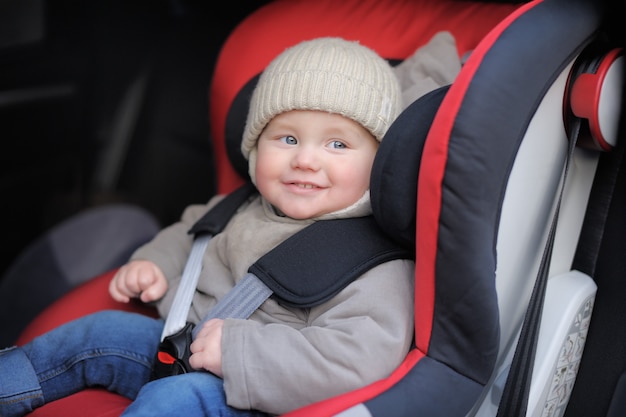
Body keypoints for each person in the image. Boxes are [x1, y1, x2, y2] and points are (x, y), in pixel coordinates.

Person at [0, 37, 414, 417]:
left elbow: (357, 361)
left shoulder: (375, 263)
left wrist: (239, 353)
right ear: (255, 147)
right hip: (180, 344)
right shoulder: (238, 206)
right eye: (287, 138)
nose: (305, 159)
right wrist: (156, 263)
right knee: (95, 333)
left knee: (175, 400)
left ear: (380, 162)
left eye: (337, 144)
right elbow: (190, 234)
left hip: (258, 394)